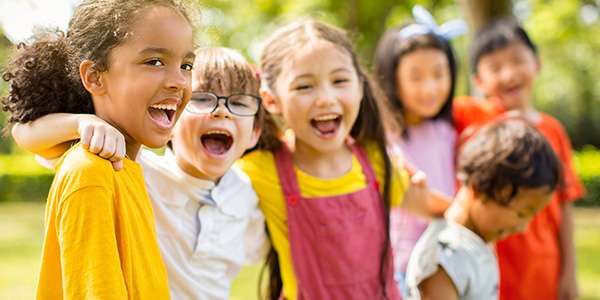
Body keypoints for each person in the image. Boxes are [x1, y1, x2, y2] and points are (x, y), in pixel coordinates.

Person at [10, 47, 276, 300]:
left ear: (254, 132)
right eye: (202, 99)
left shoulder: (247, 193)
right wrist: (81, 123)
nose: (221, 112)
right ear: (168, 121)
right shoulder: (136, 169)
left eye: (239, 103)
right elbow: (23, 134)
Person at [235, 19, 450, 300]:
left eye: (339, 81)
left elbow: (428, 205)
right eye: (304, 87)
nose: (326, 98)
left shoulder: (376, 160)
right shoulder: (260, 170)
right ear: (272, 100)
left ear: (360, 87)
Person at [1, 0, 196, 298]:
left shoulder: (128, 166)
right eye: (154, 62)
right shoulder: (90, 173)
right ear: (94, 76)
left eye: (186, 65)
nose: (178, 81)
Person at [453, 18, 586, 300]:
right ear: (478, 80)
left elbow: (564, 206)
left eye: (517, 60)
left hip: (544, 267)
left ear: (536, 63)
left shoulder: (554, 132)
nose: (508, 74)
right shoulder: (473, 115)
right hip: (489, 266)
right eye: (494, 67)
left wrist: (569, 272)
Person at [404, 119, 561, 300]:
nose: (522, 228)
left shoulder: (475, 241)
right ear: (478, 188)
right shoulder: (444, 259)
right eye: (520, 214)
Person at [373, 4, 467, 292]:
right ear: (392, 78)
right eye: (415, 77)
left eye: (439, 74)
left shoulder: (448, 130)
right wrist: (472, 221)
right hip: (404, 269)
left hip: (448, 263)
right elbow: (417, 200)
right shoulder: (383, 139)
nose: (430, 88)